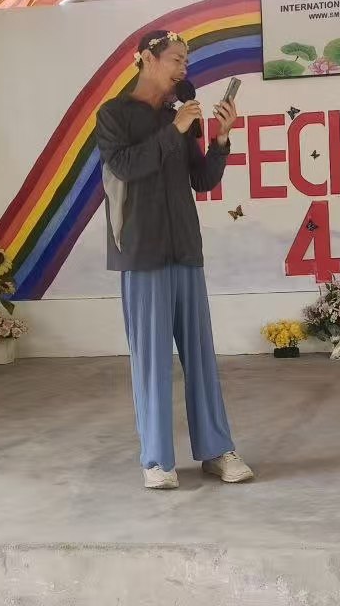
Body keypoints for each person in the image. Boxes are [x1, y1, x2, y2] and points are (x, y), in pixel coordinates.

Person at [94, 29, 253, 490]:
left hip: (185, 247)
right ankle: (157, 459)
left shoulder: (181, 115)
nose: (184, 68)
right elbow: (126, 167)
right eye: (176, 59)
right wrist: (175, 129)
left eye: (186, 61)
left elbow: (201, 180)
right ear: (147, 58)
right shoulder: (114, 115)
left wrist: (220, 139)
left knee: (201, 357)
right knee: (151, 361)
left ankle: (217, 450)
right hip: (141, 252)